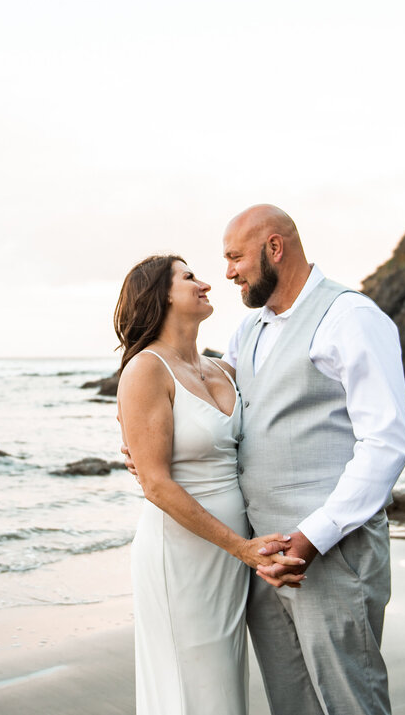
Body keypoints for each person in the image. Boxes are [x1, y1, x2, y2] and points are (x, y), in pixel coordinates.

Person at [124, 205, 405, 715]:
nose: (227, 272)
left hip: (330, 551)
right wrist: (147, 452)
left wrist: (316, 536)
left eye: (236, 257)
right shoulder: (247, 332)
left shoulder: (351, 317)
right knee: (291, 702)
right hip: (258, 560)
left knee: (350, 699)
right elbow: (202, 408)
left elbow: (386, 443)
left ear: (273, 249)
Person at [114, 254, 306, 715]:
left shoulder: (223, 371)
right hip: (182, 555)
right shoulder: (145, 370)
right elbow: (157, 485)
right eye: (189, 277)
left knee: (222, 683)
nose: (205, 284)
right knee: (192, 687)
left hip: (232, 552)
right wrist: (241, 548)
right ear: (161, 295)